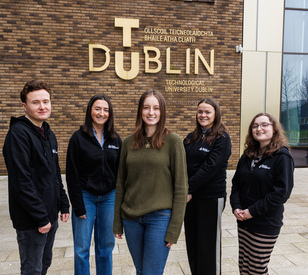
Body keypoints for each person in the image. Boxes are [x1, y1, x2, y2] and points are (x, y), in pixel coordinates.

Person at [113, 89, 188, 275]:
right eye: (146, 107)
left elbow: (181, 188)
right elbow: (121, 183)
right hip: (131, 219)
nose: (151, 112)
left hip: (160, 218)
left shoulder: (173, 142)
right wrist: (117, 222)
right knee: (140, 271)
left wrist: (174, 229)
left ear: (162, 111)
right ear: (140, 111)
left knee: (151, 272)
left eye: (156, 108)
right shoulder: (128, 142)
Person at [2, 80, 70, 275]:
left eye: (46, 101)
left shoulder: (48, 133)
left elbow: (55, 173)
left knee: (44, 264)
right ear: (25, 105)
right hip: (31, 220)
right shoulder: (18, 135)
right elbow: (21, 182)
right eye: (36, 102)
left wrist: (63, 203)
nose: (42, 107)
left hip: (49, 215)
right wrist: (40, 218)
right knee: (32, 269)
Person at [230, 112, 294, 275]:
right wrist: (236, 206)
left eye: (265, 124)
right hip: (244, 221)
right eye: (255, 126)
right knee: (244, 266)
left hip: (265, 223)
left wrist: (252, 211)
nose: (259, 128)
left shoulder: (282, 156)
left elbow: (281, 193)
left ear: (274, 129)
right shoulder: (247, 156)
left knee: (257, 269)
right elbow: (236, 183)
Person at [66, 94, 122, 275]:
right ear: (90, 111)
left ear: (110, 113)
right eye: (98, 108)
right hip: (85, 196)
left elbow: (121, 173)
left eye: (106, 110)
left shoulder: (115, 139)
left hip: (109, 198)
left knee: (106, 247)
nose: (101, 113)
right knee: (81, 249)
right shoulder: (78, 138)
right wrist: (78, 206)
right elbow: (72, 174)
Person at [183, 97, 231, 275]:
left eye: (207, 112)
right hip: (191, 199)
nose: (203, 115)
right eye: (200, 111)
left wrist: (188, 189)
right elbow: (182, 164)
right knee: (193, 243)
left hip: (211, 198)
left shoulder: (222, 138)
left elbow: (210, 168)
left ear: (216, 114)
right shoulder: (191, 138)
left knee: (208, 246)